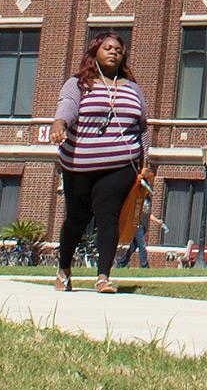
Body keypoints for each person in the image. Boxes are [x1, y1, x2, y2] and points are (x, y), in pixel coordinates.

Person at [48, 32, 149, 293]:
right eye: (107, 48)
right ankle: (64, 268)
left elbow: (142, 127)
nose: (114, 52)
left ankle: (103, 276)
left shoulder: (132, 88)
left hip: (120, 163)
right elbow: (67, 105)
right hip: (79, 163)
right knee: (77, 219)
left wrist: (145, 162)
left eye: (118, 49)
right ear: (95, 52)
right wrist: (60, 123)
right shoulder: (78, 83)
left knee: (109, 216)